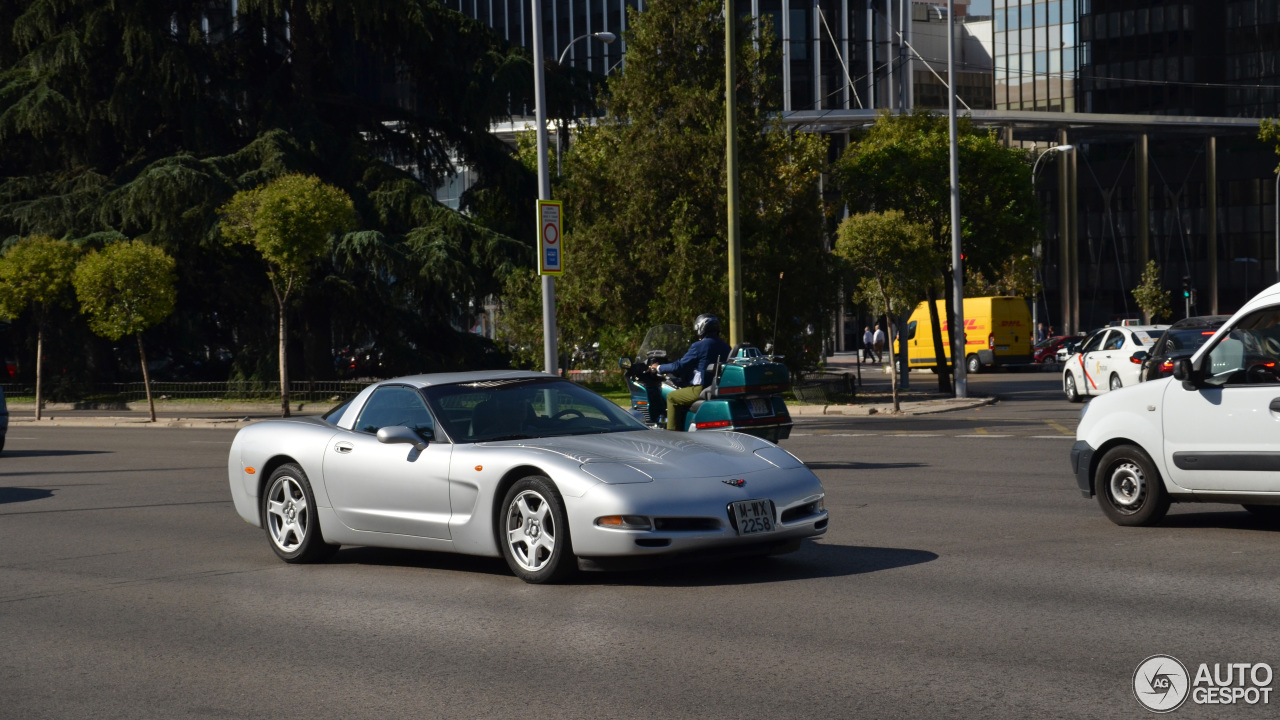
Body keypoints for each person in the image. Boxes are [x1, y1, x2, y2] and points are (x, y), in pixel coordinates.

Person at [649, 314, 732, 431]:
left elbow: (679, 365)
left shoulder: (699, 346)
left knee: (672, 397)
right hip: (716, 387)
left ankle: (672, 433)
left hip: (700, 388)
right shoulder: (726, 347)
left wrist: (658, 367)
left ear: (701, 328)